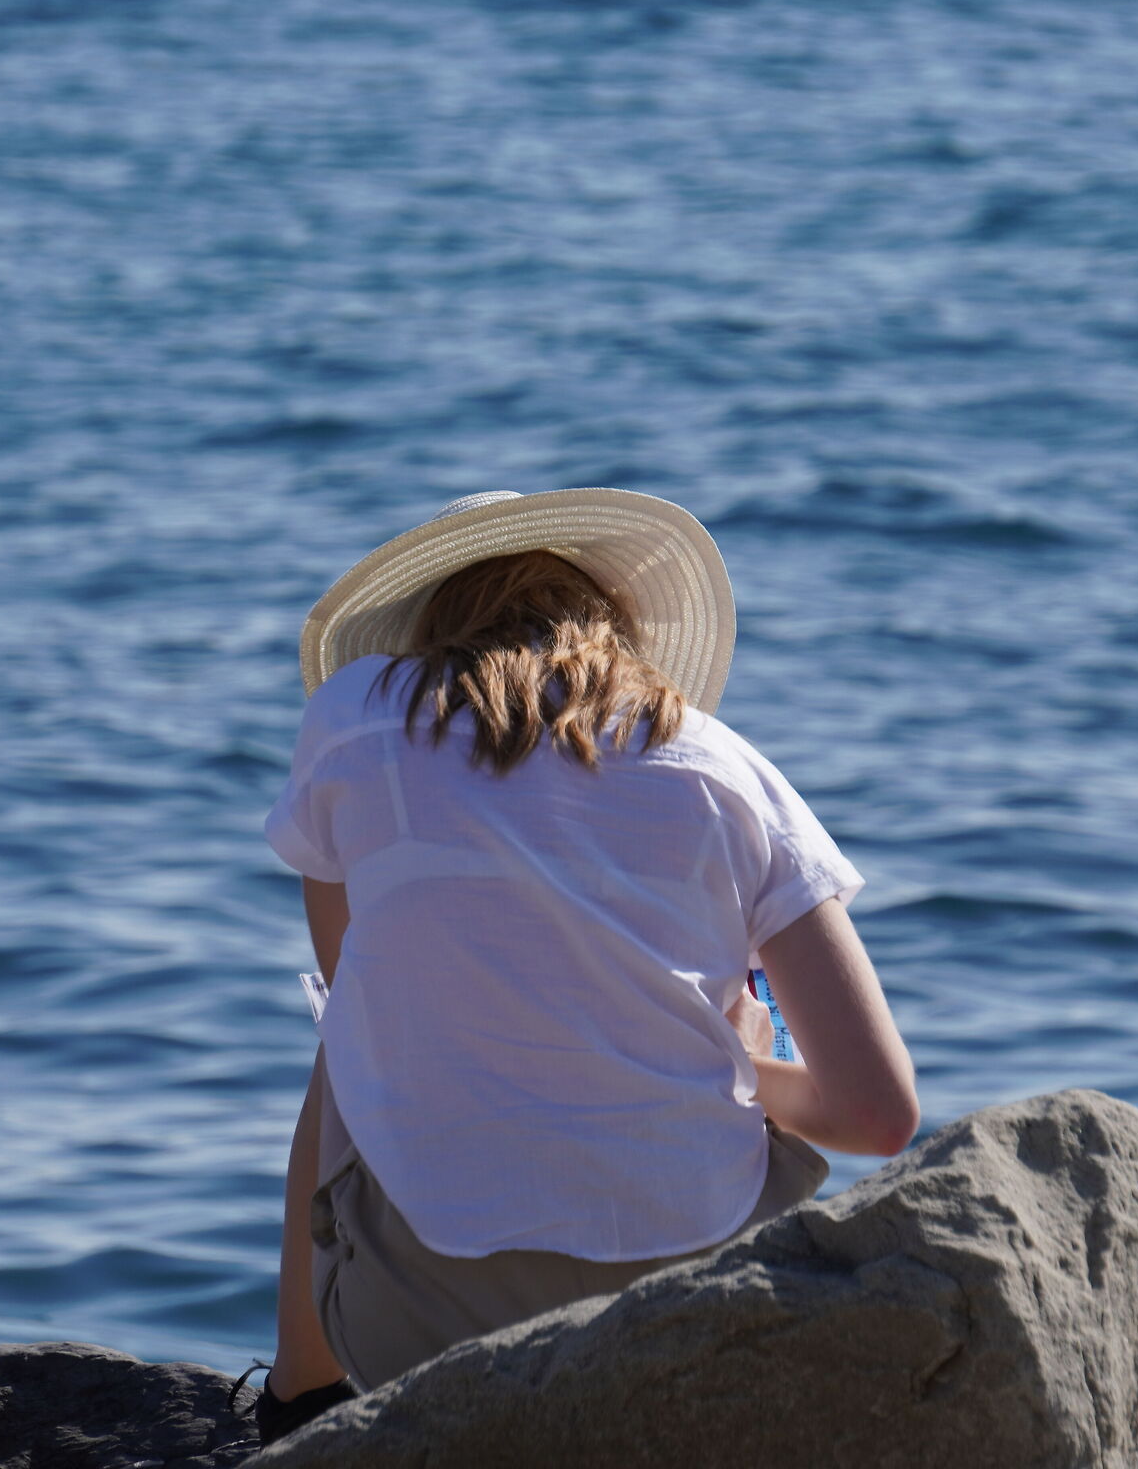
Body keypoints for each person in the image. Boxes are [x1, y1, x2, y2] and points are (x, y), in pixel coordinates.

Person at [246, 488, 917, 1443]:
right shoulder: (729, 770)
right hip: (692, 1314)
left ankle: (300, 1398)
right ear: (619, 625)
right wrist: (737, 1064)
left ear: (429, 627)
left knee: (351, 1019)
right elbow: (878, 1114)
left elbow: (362, 997)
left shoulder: (354, 719)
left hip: (415, 1325)